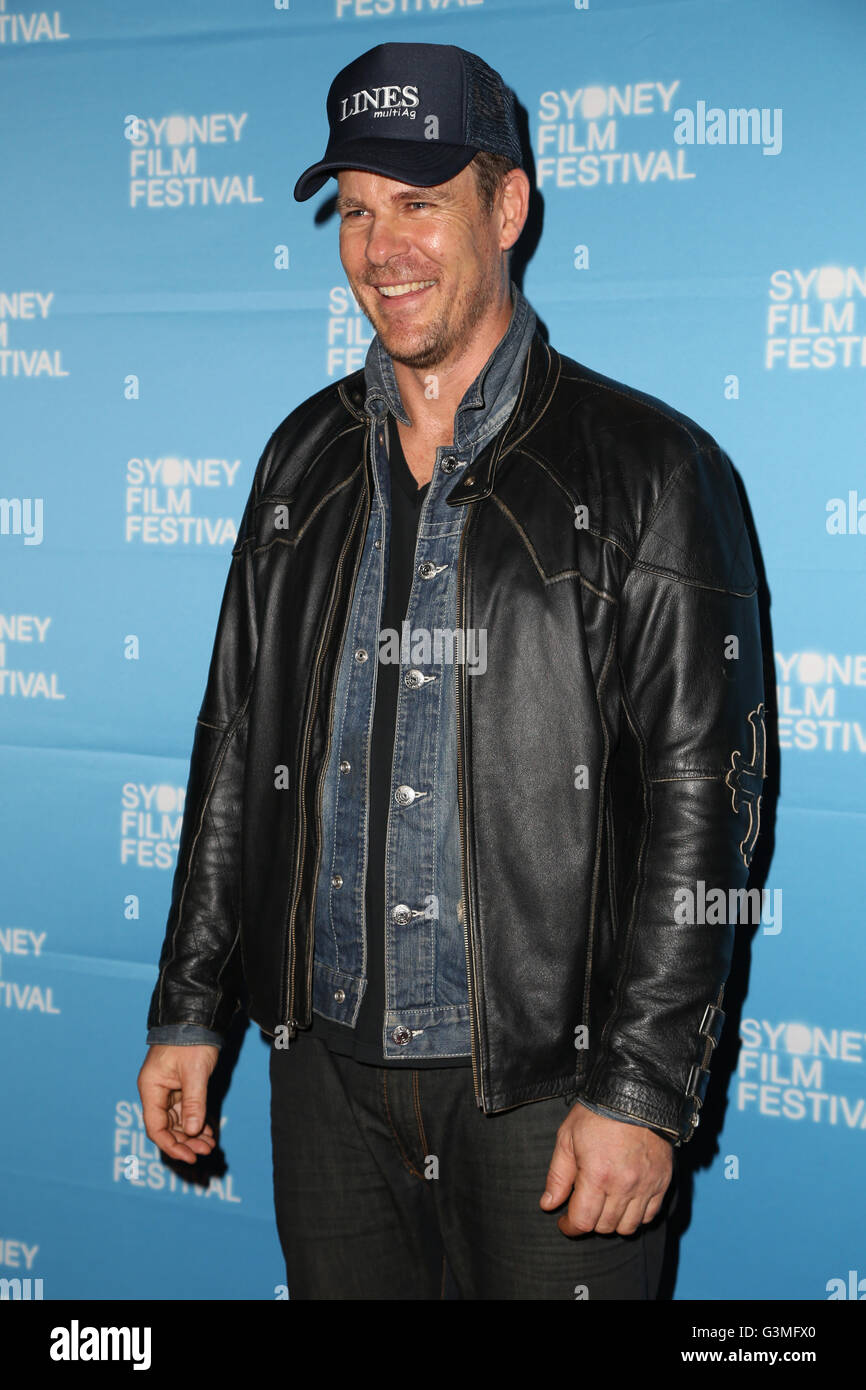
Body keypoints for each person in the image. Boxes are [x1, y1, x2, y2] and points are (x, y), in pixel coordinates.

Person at [138, 41, 765, 1300]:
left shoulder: (648, 468)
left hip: (545, 1096)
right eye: (356, 212)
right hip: (322, 1084)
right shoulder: (296, 461)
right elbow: (230, 744)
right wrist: (189, 1002)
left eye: (420, 203)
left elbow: (710, 802)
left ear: (510, 207)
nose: (382, 249)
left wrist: (642, 1085)